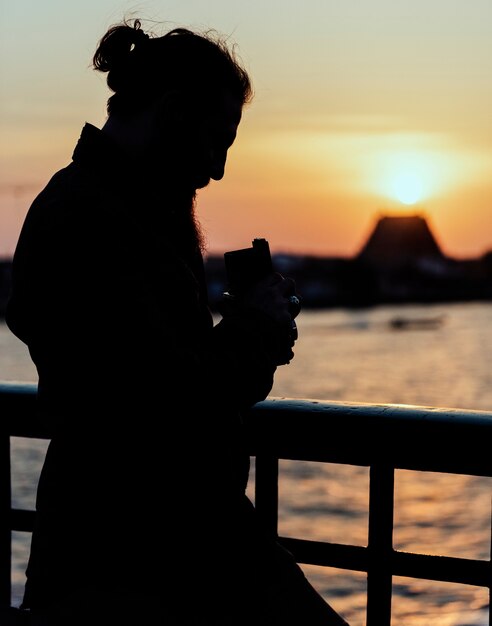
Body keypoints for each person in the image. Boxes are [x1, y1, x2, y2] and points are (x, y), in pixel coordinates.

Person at [6, 18, 350, 626]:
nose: (216, 170)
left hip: (154, 548)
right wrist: (258, 325)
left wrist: (253, 330)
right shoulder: (91, 221)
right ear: (170, 113)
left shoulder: (111, 208)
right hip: (141, 559)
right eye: (216, 141)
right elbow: (177, 398)